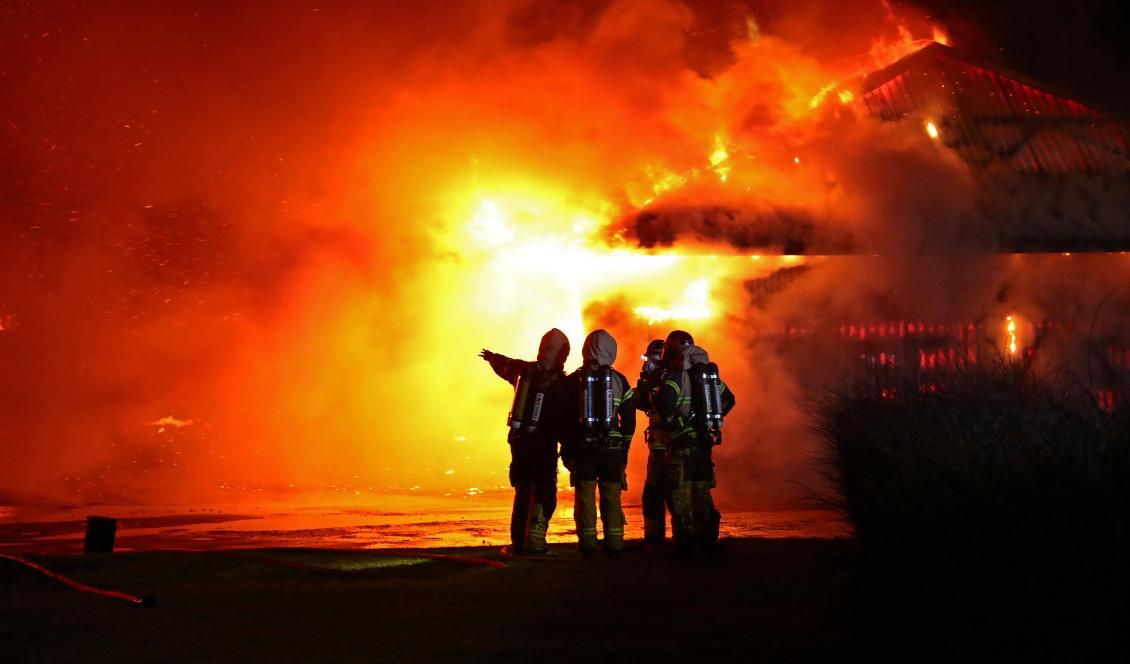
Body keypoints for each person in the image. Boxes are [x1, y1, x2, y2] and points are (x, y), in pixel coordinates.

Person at [480, 328, 570, 555]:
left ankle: (518, 543)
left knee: (522, 490)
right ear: (562, 354)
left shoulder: (524, 370)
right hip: (545, 445)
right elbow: (565, 418)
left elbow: (505, 365)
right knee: (544, 490)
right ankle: (536, 542)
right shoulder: (562, 382)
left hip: (520, 442)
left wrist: (492, 357)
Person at [653, 338, 735, 555]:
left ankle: (685, 543)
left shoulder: (676, 377)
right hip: (704, 444)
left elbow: (666, 403)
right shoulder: (710, 378)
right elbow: (730, 399)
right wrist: (708, 420)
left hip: (681, 445)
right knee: (702, 493)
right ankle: (708, 541)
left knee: (680, 494)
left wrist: (673, 423)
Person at [561, 329, 637, 557]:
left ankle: (588, 545)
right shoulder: (619, 380)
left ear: (585, 350)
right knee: (611, 495)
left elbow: (564, 418)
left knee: (585, 496)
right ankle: (614, 544)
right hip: (612, 450)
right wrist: (624, 446)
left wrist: (568, 448)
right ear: (611, 351)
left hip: (584, 448)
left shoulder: (574, 380)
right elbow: (630, 419)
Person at [635, 339, 672, 546]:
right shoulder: (656, 380)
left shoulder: (669, 380)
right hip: (658, 447)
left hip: (668, 447)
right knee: (653, 495)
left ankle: (682, 538)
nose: (647, 363)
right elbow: (643, 403)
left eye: (651, 359)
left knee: (669, 495)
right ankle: (654, 539)